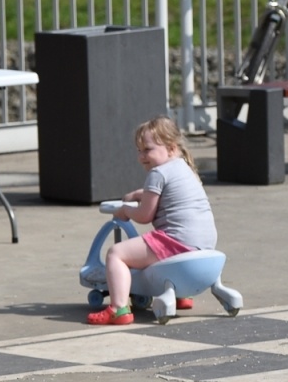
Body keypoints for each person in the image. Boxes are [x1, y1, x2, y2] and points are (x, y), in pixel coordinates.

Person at [88, 116, 218, 325]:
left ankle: (119, 308)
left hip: (177, 242)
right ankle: (182, 294)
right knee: (152, 247)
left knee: (116, 253)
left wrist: (125, 210)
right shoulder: (184, 167)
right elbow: (166, 194)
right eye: (139, 150)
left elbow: (144, 215)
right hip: (205, 243)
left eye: (147, 150)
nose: (141, 156)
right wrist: (140, 194)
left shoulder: (158, 173)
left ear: (171, 148)